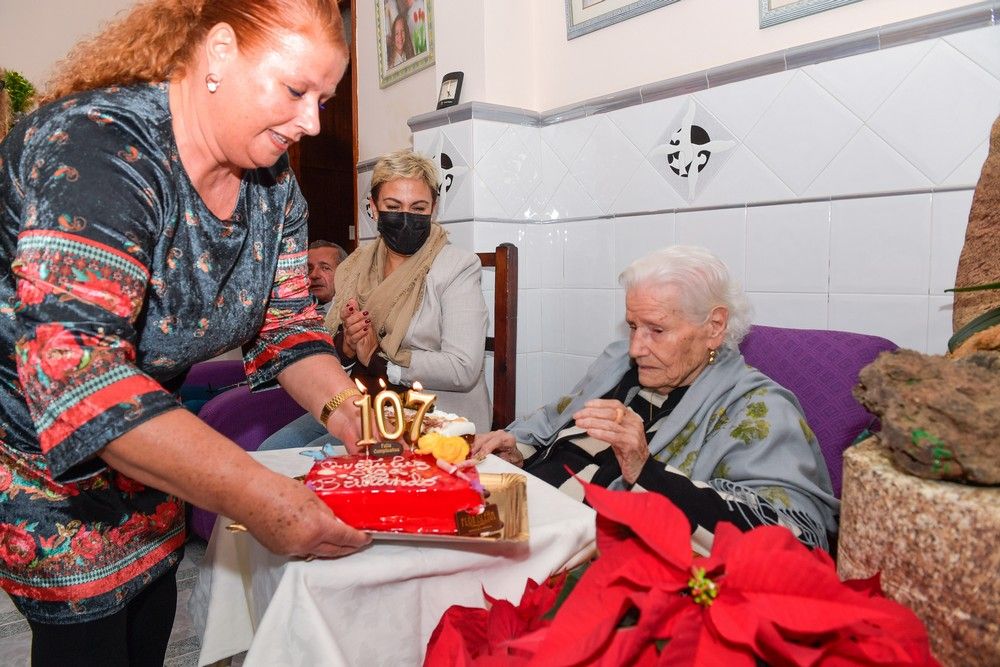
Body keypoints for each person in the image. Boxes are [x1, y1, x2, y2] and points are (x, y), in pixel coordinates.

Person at [0, 1, 373, 664]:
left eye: (324, 98)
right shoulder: (97, 145)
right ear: (221, 51)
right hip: (49, 482)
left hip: (157, 459)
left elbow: (287, 324)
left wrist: (351, 413)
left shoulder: (275, 188)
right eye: (295, 90)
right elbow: (79, 379)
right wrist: (259, 495)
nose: (311, 122)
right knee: (86, 646)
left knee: (150, 628)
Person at [472, 246, 839, 554]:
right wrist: (520, 450)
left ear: (714, 327)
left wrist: (646, 470)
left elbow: (793, 539)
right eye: (633, 326)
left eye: (656, 330)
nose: (636, 347)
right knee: (429, 532)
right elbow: (555, 421)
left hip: (585, 555)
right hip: (527, 510)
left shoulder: (758, 408)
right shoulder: (619, 363)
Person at [258, 149, 491, 451]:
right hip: (365, 400)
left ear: (433, 209)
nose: (406, 217)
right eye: (393, 206)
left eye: (418, 208)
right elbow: (333, 348)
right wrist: (348, 344)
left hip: (433, 415)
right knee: (273, 449)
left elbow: (463, 368)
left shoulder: (458, 267)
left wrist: (380, 362)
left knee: (320, 466)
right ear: (374, 207)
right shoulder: (356, 265)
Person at [308, 239, 348, 314]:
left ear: (344, 273)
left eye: (325, 268)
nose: (314, 275)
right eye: (309, 269)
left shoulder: (355, 315)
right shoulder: (290, 314)